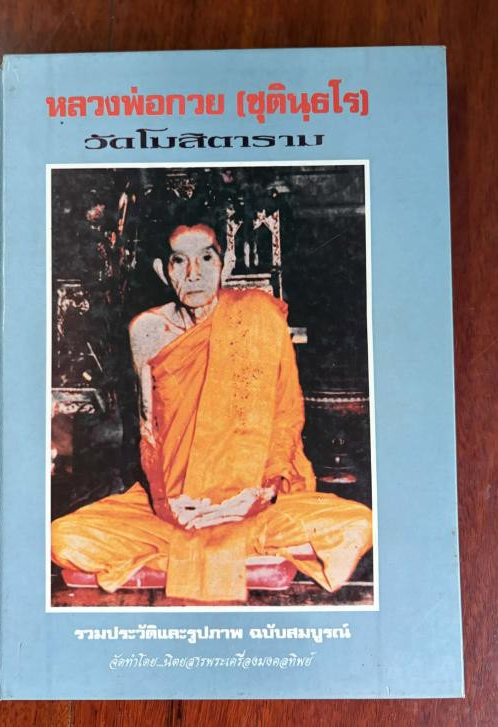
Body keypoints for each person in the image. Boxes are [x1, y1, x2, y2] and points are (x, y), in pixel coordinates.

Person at [51, 220, 373, 603]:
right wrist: (167, 505)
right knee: (62, 538)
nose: (194, 273)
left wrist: (260, 495)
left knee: (359, 525)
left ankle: (185, 560)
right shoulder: (147, 331)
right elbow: (148, 432)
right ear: (163, 270)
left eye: (206, 258)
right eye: (179, 261)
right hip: (178, 510)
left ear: (227, 263)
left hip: (252, 504)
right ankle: (239, 558)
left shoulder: (258, 315)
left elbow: (285, 421)